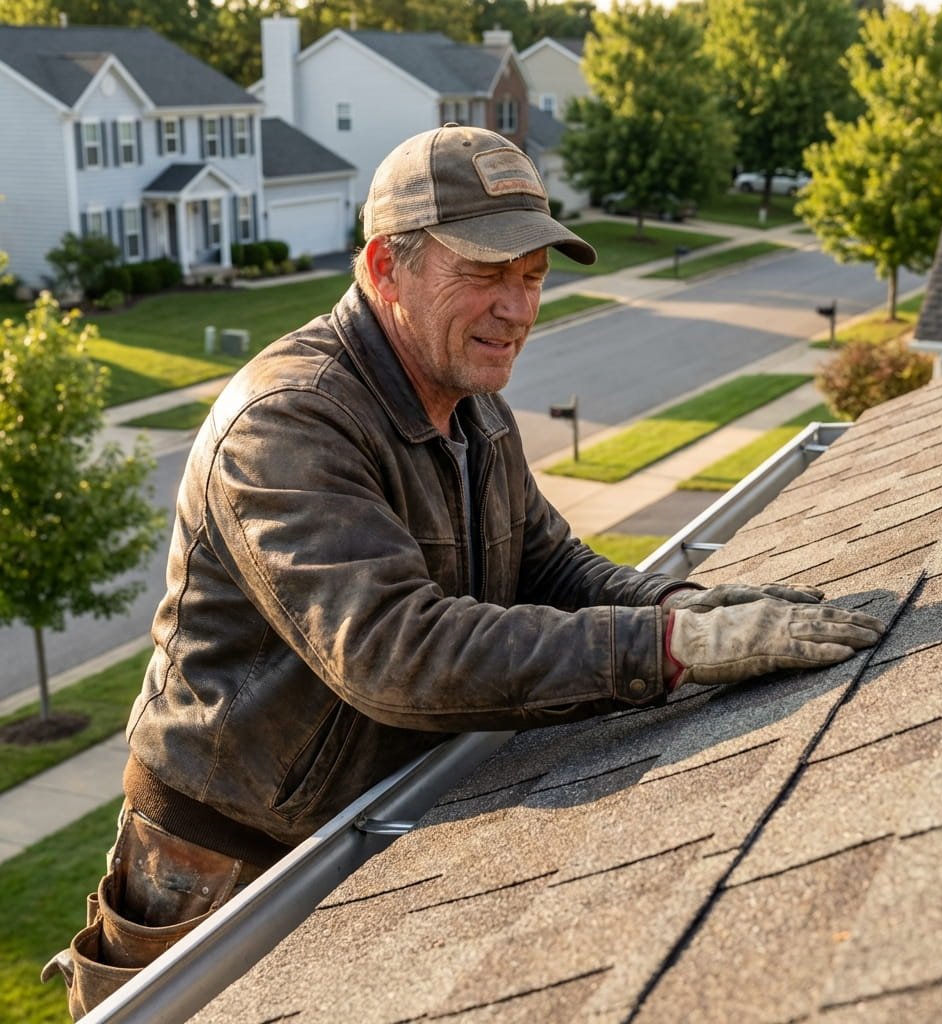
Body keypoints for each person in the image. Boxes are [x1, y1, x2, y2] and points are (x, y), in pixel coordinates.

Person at [43, 124, 883, 1018]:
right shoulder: (288, 423)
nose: (518, 308)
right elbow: (394, 653)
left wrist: (690, 608)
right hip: (228, 867)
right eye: (485, 272)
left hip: (364, 818)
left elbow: (551, 565)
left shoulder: (472, 407)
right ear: (384, 266)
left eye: (532, 276)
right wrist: (673, 647)